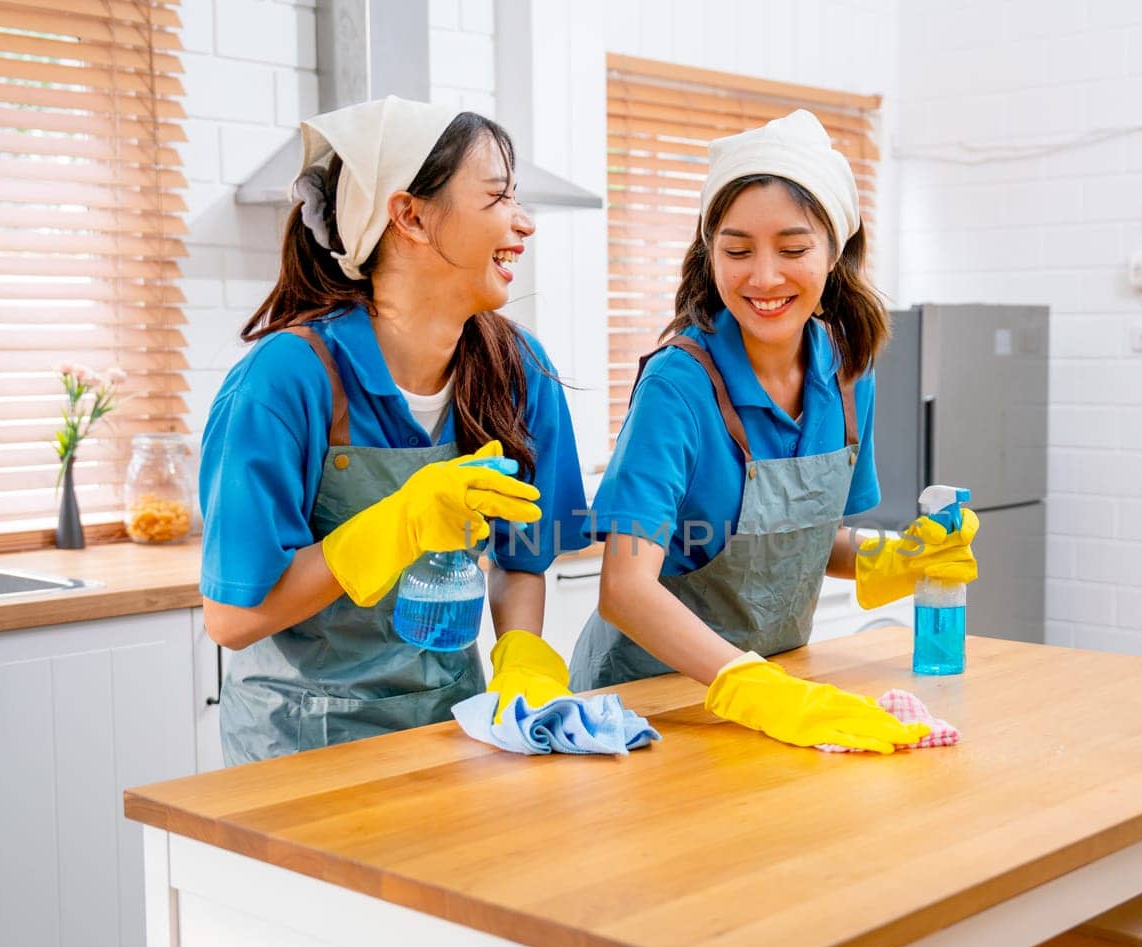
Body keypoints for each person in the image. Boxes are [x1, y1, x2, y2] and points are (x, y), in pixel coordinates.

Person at [572, 110, 978, 754]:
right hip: (653, 707)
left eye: (791, 250)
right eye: (736, 251)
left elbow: (810, 541)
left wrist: (889, 559)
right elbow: (625, 587)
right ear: (711, 254)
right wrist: (749, 684)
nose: (762, 277)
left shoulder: (848, 372)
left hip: (783, 696)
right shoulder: (680, 385)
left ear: (834, 251)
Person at [200, 96, 587, 765]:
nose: (522, 223)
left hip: (449, 732)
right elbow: (233, 619)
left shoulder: (516, 370)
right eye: (496, 198)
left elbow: (524, 561)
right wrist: (399, 522)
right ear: (409, 214)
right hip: (301, 750)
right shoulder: (288, 379)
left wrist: (521, 655)